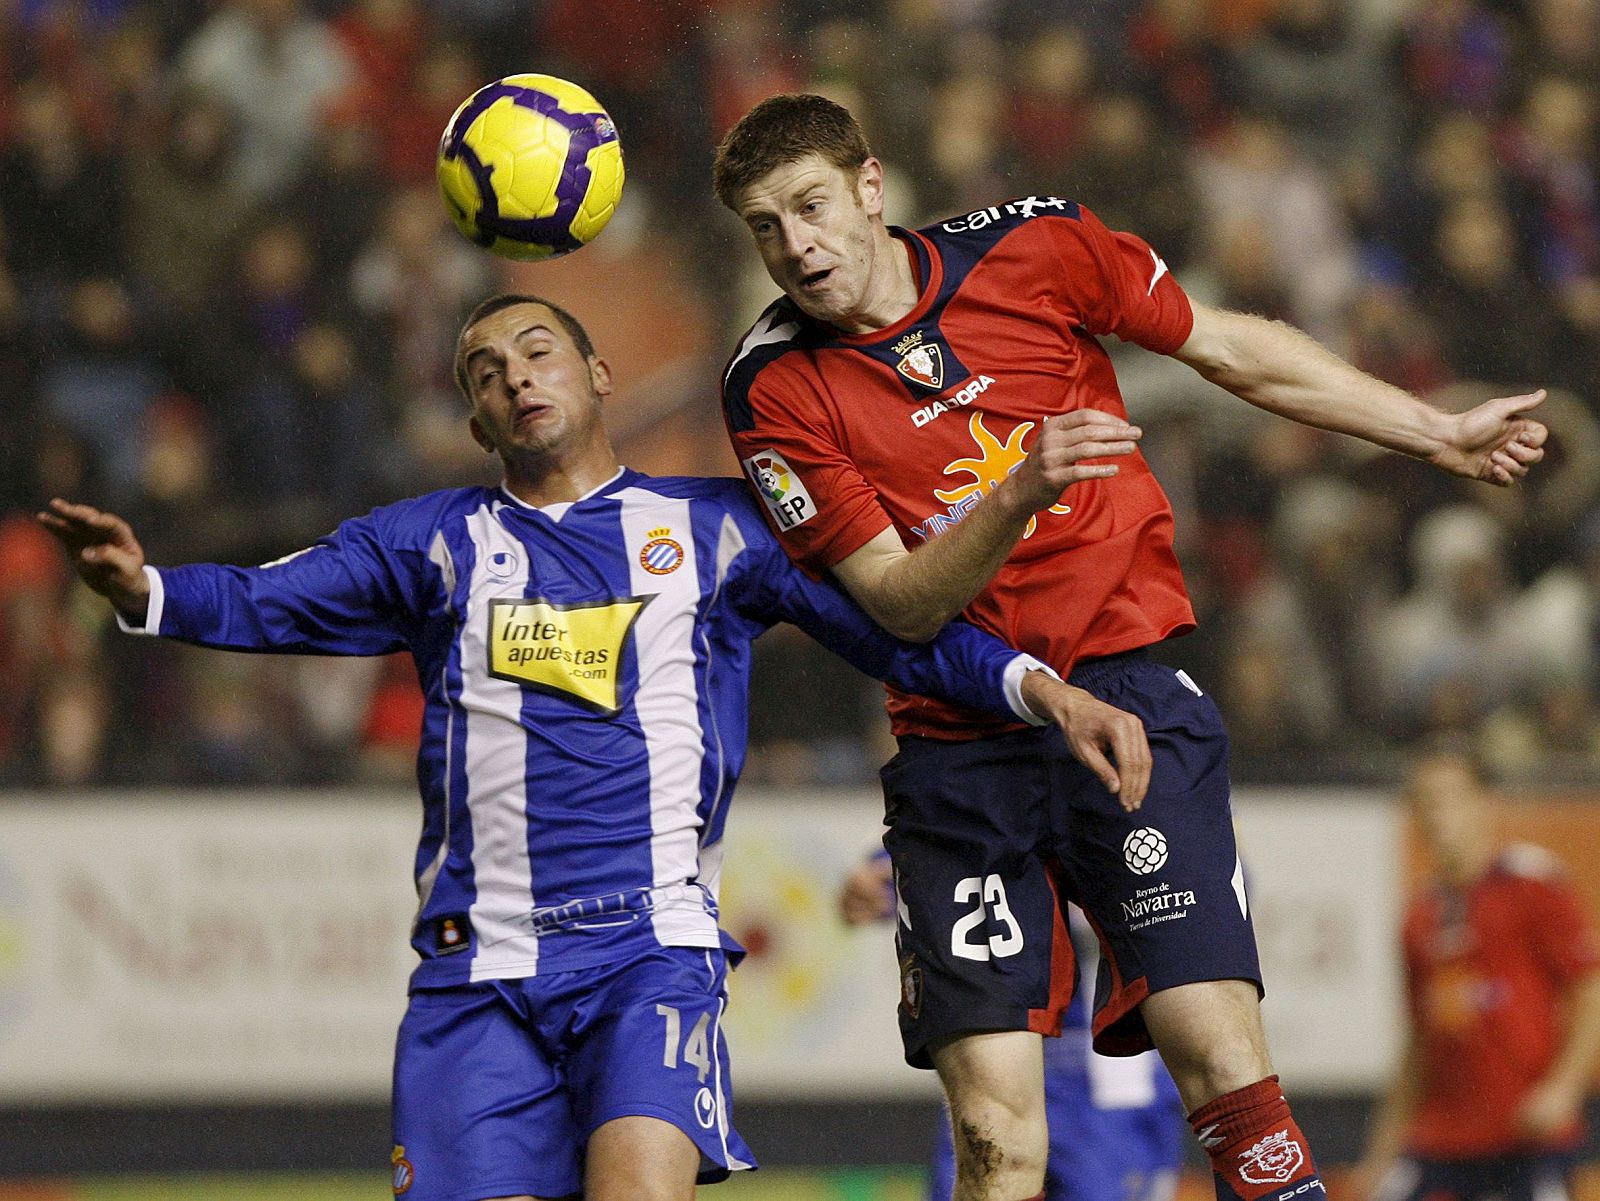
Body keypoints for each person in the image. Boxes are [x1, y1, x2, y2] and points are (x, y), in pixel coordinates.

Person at [37, 294, 1134, 1201]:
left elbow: (896, 629)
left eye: (535, 350)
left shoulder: (717, 530)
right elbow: (274, 596)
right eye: (482, 371)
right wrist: (147, 588)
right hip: (479, 971)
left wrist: (1039, 689)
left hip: (647, 957)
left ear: (601, 373)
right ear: (475, 422)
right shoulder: (432, 544)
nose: (513, 376)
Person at [711, 92, 1549, 1201]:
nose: (795, 246)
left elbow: (1226, 347)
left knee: (1222, 1060)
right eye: (766, 226)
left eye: (810, 206)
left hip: (1129, 691)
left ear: (871, 185)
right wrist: (1021, 485)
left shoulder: (1037, 247)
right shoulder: (770, 386)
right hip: (961, 744)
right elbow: (902, 606)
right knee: (999, 1142)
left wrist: (1432, 428)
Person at [839, 850, 1186, 1201]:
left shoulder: (1154, 812)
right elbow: (881, 882)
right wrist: (882, 872)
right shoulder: (990, 806)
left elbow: (1192, 904)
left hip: (1112, 1077)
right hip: (997, 1057)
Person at [1353, 747, 1600, 1201]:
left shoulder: (1532, 883)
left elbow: (1590, 990)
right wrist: (1381, 1152)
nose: (1436, 814)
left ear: (1485, 803)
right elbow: (1419, 1042)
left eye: (1449, 798)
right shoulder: (1419, 915)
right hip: (1442, 1140)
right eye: (1423, 802)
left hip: (1527, 1138)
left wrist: (1563, 1088)